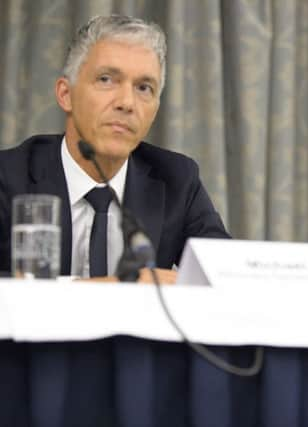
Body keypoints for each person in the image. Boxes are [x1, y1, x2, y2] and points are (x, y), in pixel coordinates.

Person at [0, 15, 229, 283]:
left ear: (155, 108)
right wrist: (119, 288)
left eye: (144, 87)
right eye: (107, 79)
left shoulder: (177, 179)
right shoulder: (9, 176)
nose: (127, 102)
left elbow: (226, 278)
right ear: (66, 94)